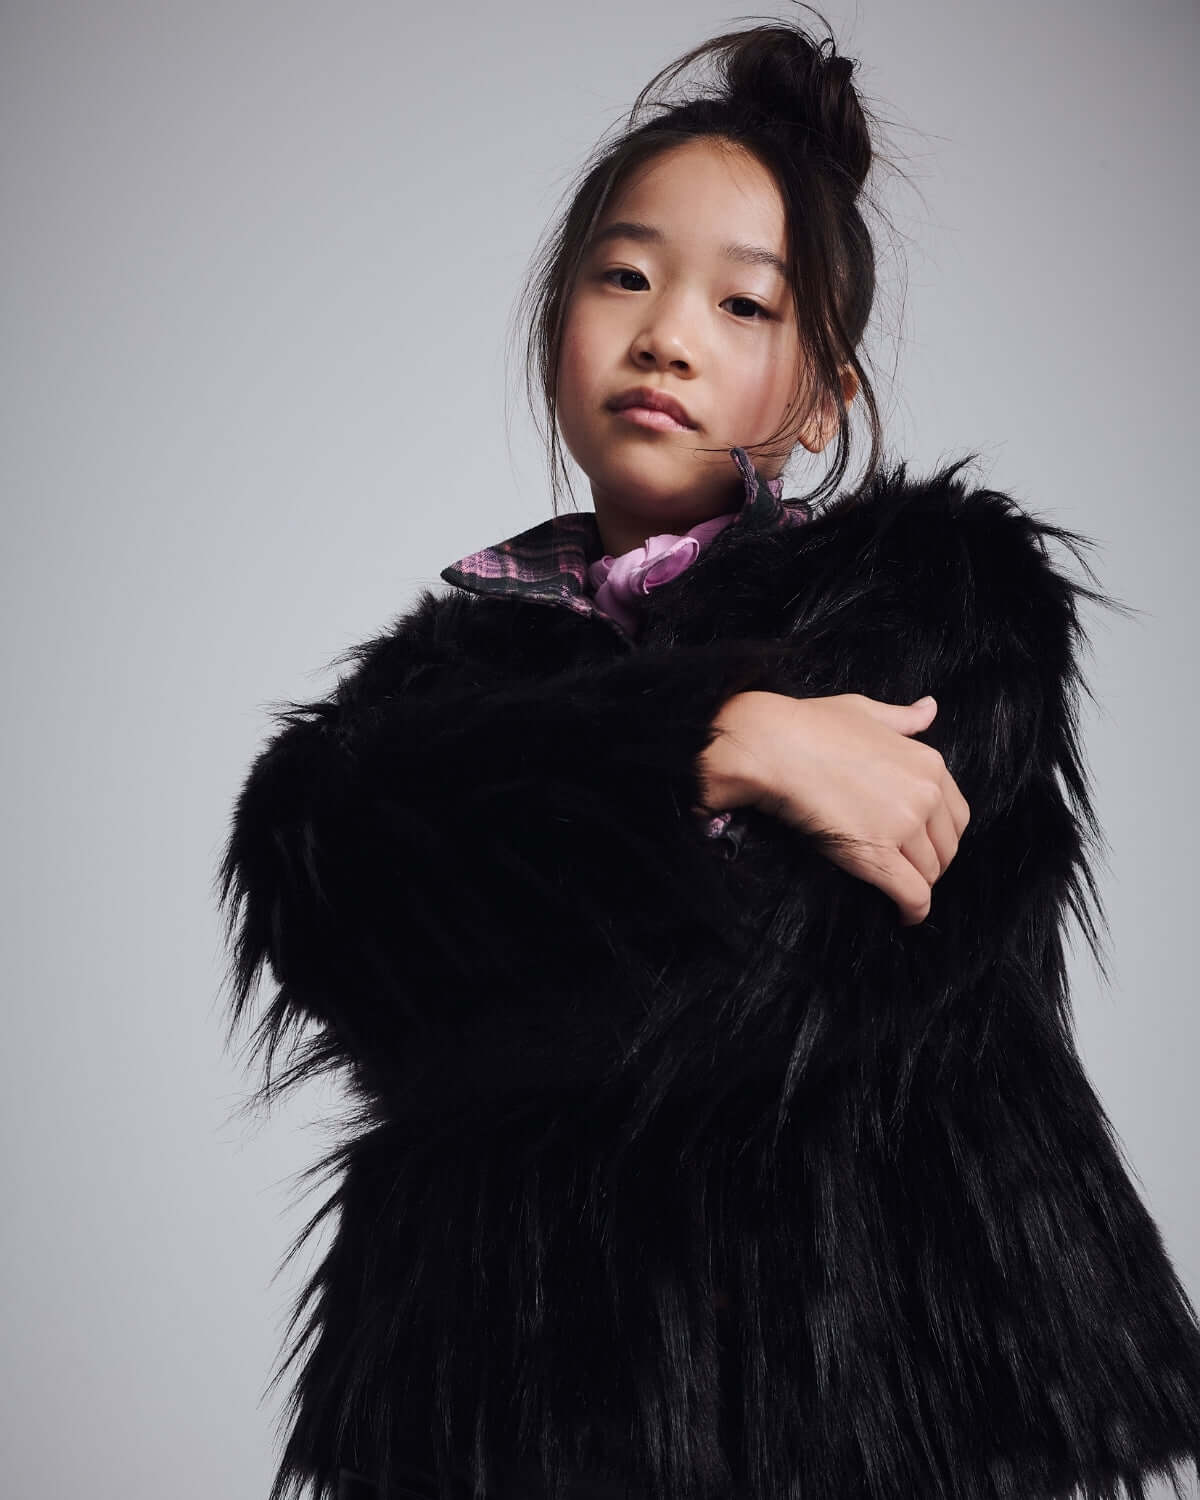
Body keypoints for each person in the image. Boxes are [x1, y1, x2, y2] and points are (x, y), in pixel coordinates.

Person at [216, 10, 1200, 1500]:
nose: (665, 333)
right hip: (526, 1415)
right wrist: (715, 745)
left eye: (744, 305)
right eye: (623, 276)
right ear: (558, 318)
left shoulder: (929, 607)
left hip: (875, 1397)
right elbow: (322, 877)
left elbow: (776, 983)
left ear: (822, 393)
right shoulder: (435, 684)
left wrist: (521, 887)